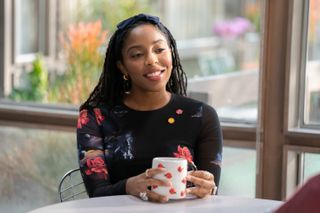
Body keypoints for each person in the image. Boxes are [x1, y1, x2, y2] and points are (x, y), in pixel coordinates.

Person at [77, 13, 223, 203]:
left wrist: (208, 189)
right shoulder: (95, 117)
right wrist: (129, 186)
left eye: (159, 49)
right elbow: (96, 196)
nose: (151, 60)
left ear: (171, 52)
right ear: (122, 67)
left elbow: (210, 195)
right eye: (137, 54)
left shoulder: (202, 116)